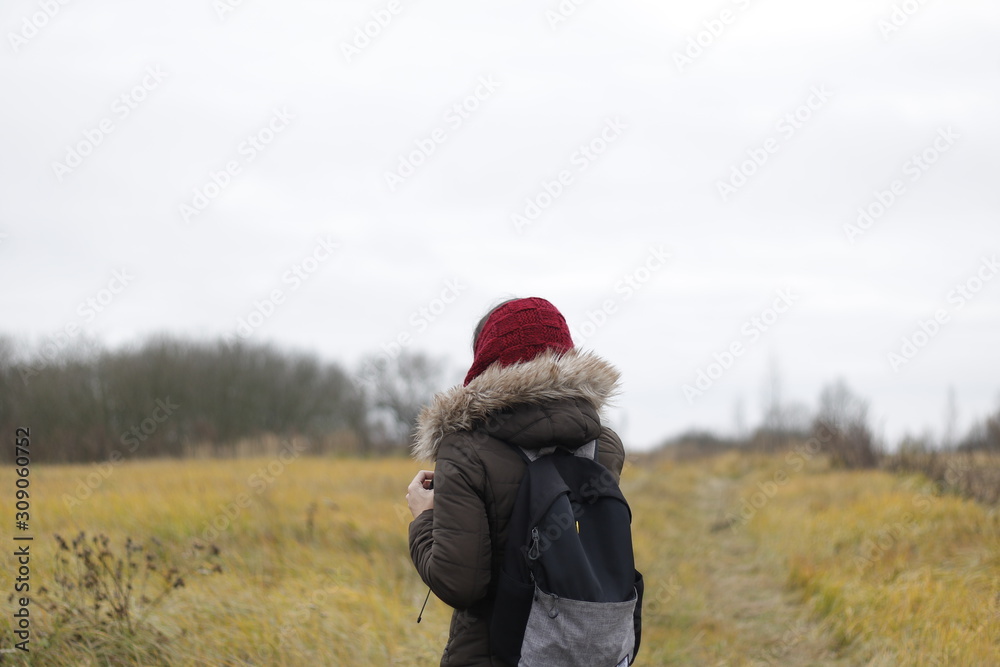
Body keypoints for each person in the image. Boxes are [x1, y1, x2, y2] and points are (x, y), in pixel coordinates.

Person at [406, 296, 626, 666]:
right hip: (588, 647)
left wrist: (424, 517)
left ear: (487, 361)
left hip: (494, 652)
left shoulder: (465, 450)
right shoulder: (602, 445)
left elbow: (461, 584)